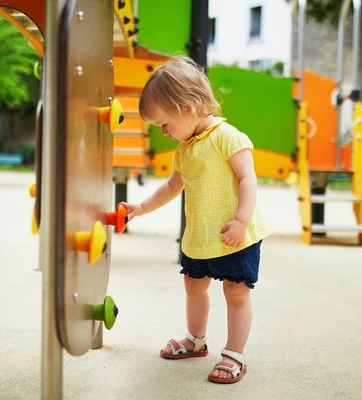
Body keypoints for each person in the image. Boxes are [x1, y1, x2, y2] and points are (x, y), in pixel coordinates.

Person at [119, 55, 270, 384]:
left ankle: (234, 354)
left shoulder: (227, 137)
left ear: (187, 107)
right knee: (193, 286)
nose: (164, 132)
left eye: (165, 123)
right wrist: (141, 208)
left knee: (237, 291)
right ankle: (196, 340)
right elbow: (173, 185)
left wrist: (242, 221)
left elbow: (248, 179)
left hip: (234, 236)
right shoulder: (185, 149)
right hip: (200, 237)